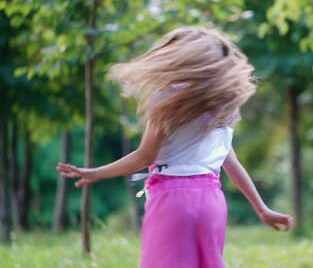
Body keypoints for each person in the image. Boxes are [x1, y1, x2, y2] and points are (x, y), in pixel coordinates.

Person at [56, 26, 294, 268]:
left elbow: (144, 156)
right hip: (211, 201)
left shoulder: (167, 99)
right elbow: (230, 161)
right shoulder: (224, 103)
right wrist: (262, 209)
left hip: (173, 200)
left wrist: (95, 173)